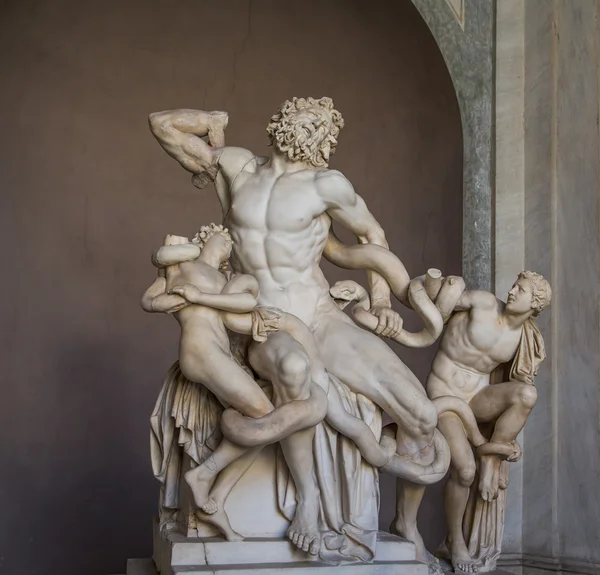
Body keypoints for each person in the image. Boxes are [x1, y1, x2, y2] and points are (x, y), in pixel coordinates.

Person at [148, 98, 446, 566]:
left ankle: (404, 524)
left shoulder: (328, 184)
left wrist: (383, 300)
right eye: (300, 114)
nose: (307, 124)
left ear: (327, 139)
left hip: (321, 314)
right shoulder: (235, 167)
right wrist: (210, 122)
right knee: (292, 367)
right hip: (264, 320)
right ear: (279, 122)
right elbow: (163, 125)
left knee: (421, 412)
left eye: (318, 121)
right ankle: (308, 502)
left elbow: (372, 237)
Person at [419, 271, 551, 572]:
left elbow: (514, 386)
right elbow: (438, 302)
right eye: (515, 284)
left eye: (522, 290)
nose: (513, 291)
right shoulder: (483, 302)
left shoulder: (524, 338)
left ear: (535, 305)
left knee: (527, 395)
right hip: (444, 393)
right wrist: (447, 285)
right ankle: (455, 542)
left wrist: (507, 440)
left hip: (478, 398)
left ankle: (491, 457)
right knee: (465, 470)